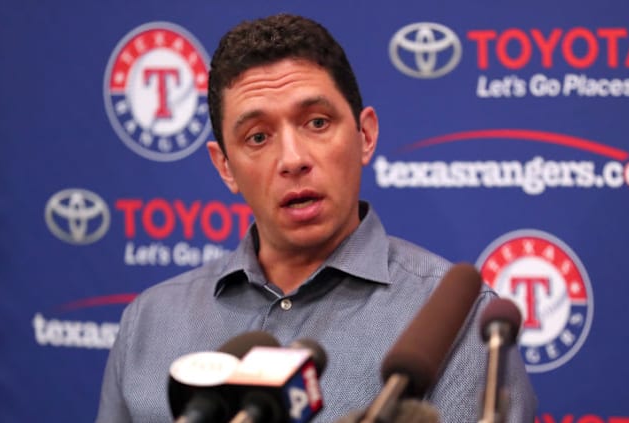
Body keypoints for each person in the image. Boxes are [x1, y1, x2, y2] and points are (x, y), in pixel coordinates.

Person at [96, 13, 537, 423]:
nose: (292, 159)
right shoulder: (150, 322)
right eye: (258, 136)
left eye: (318, 123)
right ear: (225, 166)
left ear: (365, 135)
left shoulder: (459, 324)